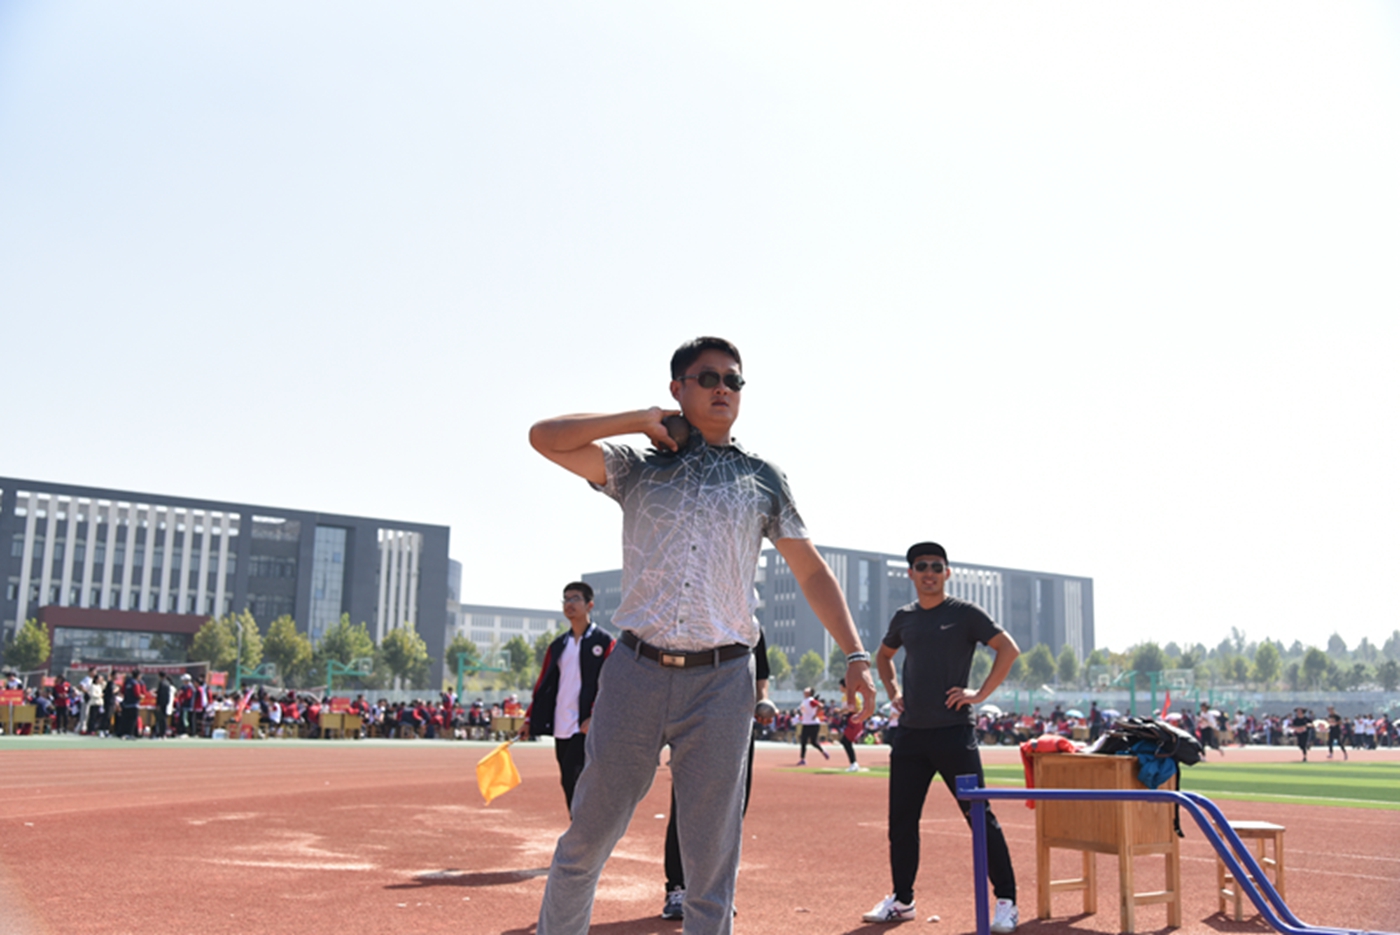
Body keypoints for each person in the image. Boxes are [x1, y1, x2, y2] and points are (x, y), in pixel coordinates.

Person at [528, 335, 876, 935]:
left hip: (722, 682)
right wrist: (639, 419)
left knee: (711, 865)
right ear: (677, 389)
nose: (723, 389)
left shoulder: (762, 479)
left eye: (733, 380)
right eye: (708, 378)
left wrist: (856, 654)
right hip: (635, 674)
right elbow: (545, 437)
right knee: (587, 838)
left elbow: (812, 570)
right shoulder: (637, 466)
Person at [864, 542, 1021, 933]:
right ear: (911, 574)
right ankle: (902, 901)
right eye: (922, 566)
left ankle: (1007, 901)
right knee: (901, 822)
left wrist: (979, 694)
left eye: (937, 566)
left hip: (954, 734)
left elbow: (1008, 649)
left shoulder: (965, 614)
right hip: (910, 737)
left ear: (947, 573)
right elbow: (883, 656)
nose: (929, 572)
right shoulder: (904, 617)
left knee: (979, 816)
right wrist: (893, 691)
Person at [661, 629, 772, 921]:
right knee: (684, 805)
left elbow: (761, 676)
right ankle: (677, 888)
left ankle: (717, 893)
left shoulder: (751, 627)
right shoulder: (702, 620)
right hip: (694, 718)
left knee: (730, 811)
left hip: (737, 721)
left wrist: (762, 701)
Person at [524, 581, 616, 814]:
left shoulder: (604, 642)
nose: (569, 604)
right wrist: (529, 719)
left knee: (579, 780)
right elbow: (543, 685)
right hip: (561, 725)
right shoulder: (558, 645)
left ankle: (586, 832)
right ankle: (583, 831)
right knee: (568, 782)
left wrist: (595, 716)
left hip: (586, 727)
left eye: (575, 598)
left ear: (590, 605)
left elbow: (612, 685)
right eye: (565, 599)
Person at [796, 687, 830, 766]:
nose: (805, 690)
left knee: (813, 742)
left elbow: (821, 705)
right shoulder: (805, 700)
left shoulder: (810, 700)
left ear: (810, 693)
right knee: (803, 742)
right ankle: (802, 759)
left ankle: (823, 751)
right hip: (806, 723)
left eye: (807, 690)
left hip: (813, 723)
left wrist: (816, 715)